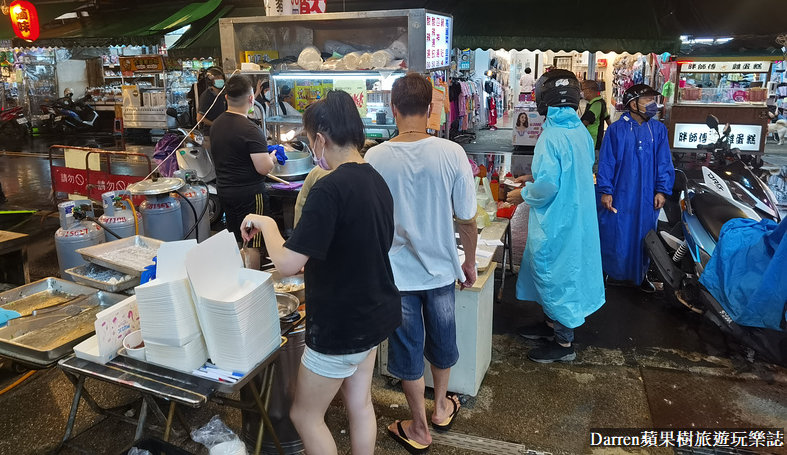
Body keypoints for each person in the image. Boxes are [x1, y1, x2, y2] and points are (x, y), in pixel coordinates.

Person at [241, 91, 401, 455]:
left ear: (320, 139)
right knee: (359, 405)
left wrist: (265, 222)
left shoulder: (329, 188)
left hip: (340, 327)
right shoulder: (375, 179)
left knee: (305, 416)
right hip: (374, 314)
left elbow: (287, 263)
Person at [365, 73, 478, 453]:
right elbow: (466, 219)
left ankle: (417, 426)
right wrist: (471, 262)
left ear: (393, 109)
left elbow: (369, 223)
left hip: (396, 277)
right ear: (430, 109)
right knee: (443, 342)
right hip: (443, 270)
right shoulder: (452, 153)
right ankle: (442, 407)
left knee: (407, 349)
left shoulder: (374, 157)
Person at [505, 69, 605, 363]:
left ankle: (563, 345)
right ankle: (550, 324)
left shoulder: (550, 136)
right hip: (577, 216)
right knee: (564, 272)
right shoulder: (578, 132)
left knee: (556, 275)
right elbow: (571, 171)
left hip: (557, 219)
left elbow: (548, 188)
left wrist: (522, 194)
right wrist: (530, 178)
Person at [596, 83, 675, 292]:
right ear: (632, 103)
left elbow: (664, 161)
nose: (652, 104)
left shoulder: (657, 130)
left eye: (653, 100)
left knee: (644, 234)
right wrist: (606, 190)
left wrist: (661, 190)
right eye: (647, 100)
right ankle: (610, 272)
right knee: (616, 231)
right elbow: (606, 162)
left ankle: (640, 275)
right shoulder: (615, 130)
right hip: (620, 192)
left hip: (647, 195)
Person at [210, 74, 276, 252]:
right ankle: (252, 278)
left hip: (225, 192)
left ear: (226, 98)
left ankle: (239, 275)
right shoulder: (251, 130)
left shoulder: (216, 124)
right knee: (253, 242)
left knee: (237, 239)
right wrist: (273, 158)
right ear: (251, 98)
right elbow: (263, 169)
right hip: (250, 195)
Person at [580, 80, 610, 149]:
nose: (582, 92)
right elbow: (608, 119)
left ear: (589, 90)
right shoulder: (601, 102)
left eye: (583, 89)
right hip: (593, 141)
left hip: (592, 142)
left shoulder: (596, 105)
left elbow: (585, 122)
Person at [197, 67, 227, 135]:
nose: (220, 80)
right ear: (210, 80)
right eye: (217, 78)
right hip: (210, 132)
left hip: (222, 131)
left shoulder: (222, 94)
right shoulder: (207, 96)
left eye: (221, 78)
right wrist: (215, 124)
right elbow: (199, 118)